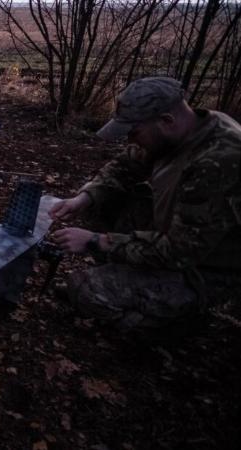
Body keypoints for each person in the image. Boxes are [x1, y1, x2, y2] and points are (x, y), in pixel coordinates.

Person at [50, 77, 241, 333]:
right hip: (177, 241)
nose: (130, 140)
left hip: (206, 271)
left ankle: (177, 323)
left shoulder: (218, 161)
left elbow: (177, 251)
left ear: (166, 121)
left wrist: (96, 241)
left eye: (134, 132)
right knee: (100, 202)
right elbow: (125, 166)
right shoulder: (182, 129)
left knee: (87, 291)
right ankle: (122, 277)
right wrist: (86, 197)